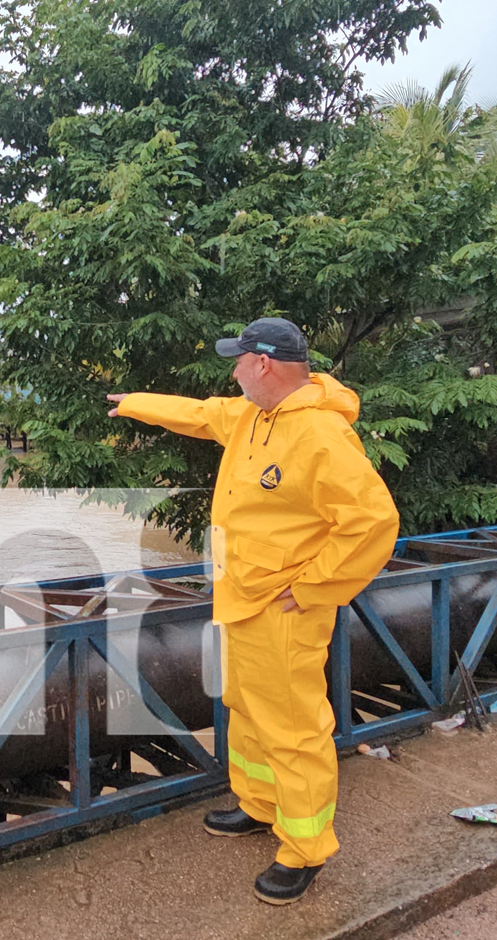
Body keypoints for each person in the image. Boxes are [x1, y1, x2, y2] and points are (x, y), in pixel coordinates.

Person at [107, 317, 399, 905]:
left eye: (237, 361)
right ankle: (260, 804)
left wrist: (317, 587)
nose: (232, 371)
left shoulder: (320, 435)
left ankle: (305, 848)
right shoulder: (253, 417)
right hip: (241, 596)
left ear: (262, 364)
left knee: (293, 729)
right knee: (246, 708)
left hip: (286, 609)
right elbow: (196, 413)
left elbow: (373, 523)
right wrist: (134, 402)